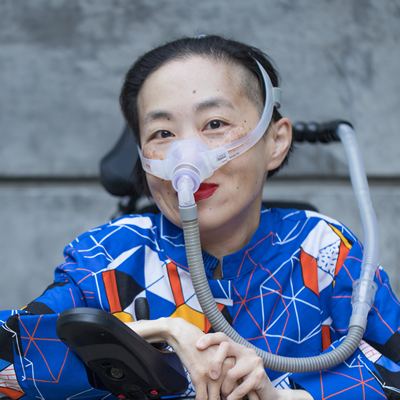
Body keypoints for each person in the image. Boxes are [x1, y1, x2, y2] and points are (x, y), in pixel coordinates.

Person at [0, 35, 399, 400]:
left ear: (275, 141)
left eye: (215, 124)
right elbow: (9, 360)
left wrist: (287, 397)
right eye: (162, 133)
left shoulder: (327, 251)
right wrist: (151, 335)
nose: (186, 158)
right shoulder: (105, 257)